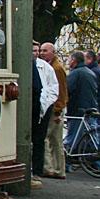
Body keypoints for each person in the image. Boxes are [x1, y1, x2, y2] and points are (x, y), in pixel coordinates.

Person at [64, 51, 99, 170]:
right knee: (89, 138)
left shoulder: (75, 73)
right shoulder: (90, 72)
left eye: (69, 59)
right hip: (90, 107)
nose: (68, 62)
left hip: (77, 109)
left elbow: (66, 89)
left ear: (74, 60)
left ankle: (66, 164)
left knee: (71, 139)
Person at [39, 42, 68, 178]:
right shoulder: (53, 66)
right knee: (55, 141)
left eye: (45, 51)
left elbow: (61, 91)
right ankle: (58, 169)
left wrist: (57, 110)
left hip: (54, 108)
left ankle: (49, 167)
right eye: (41, 50)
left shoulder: (56, 68)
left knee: (47, 138)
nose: (42, 53)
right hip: (55, 107)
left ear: (53, 52)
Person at [31, 42, 58, 186]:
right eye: (34, 50)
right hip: (32, 106)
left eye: (37, 50)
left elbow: (53, 88)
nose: (36, 53)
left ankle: (37, 171)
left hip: (42, 108)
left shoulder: (46, 68)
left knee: (39, 140)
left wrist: (46, 104)